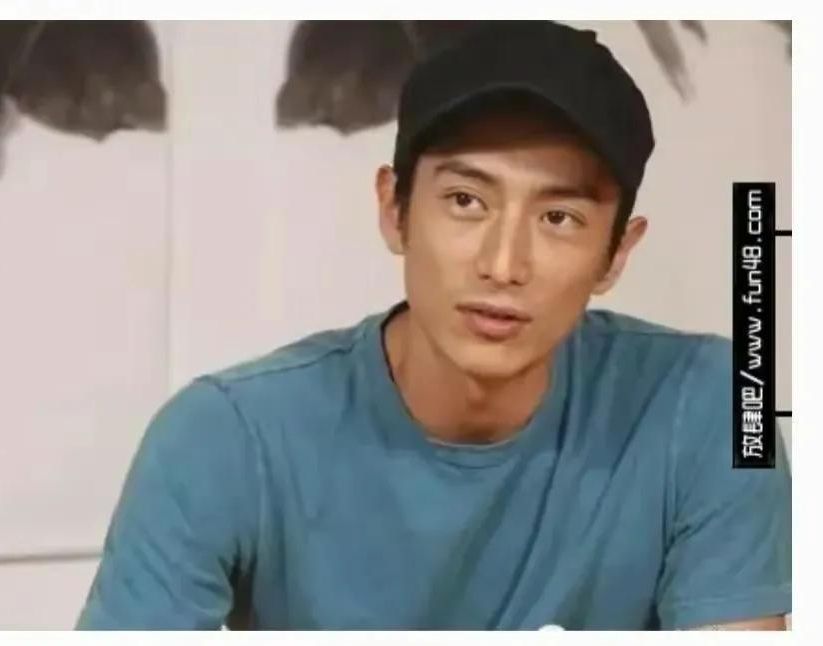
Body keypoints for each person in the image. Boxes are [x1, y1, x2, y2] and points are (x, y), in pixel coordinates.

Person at [75, 21, 791, 630]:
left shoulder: (726, 401)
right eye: (466, 201)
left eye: (559, 217)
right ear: (394, 210)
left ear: (616, 253)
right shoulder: (222, 437)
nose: (503, 264)